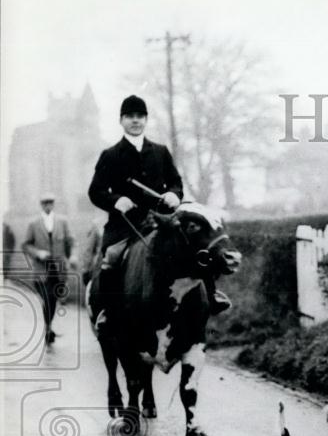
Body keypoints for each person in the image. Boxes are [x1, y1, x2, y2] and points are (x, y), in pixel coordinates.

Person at [87, 94, 228, 333]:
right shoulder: (110, 155)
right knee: (110, 257)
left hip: (161, 222)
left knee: (195, 246)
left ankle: (211, 298)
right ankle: (107, 313)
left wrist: (174, 194)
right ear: (121, 120)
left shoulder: (161, 152)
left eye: (140, 116)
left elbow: (176, 183)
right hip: (125, 225)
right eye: (130, 116)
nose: (135, 121)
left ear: (146, 119)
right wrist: (116, 200)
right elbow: (95, 191)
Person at [22, 193, 76, 345]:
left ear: (53, 204)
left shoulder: (62, 221)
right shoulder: (34, 223)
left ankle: (48, 327)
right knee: (48, 298)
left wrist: (72, 256)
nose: (48, 206)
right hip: (41, 269)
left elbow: (71, 241)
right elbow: (26, 244)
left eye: (50, 203)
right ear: (41, 205)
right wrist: (38, 253)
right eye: (45, 203)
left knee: (52, 299)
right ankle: (48, 328)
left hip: (58, 269)